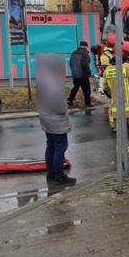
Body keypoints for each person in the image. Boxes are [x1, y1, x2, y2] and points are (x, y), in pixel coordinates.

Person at [36, 54, 76, 184]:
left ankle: (51, 173)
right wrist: (65, 108)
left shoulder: (43, 80)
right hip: (56, 120)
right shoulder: (54, 83)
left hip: (45, 117)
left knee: (51, 146)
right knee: (61, 147)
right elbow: (60, 106)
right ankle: (60, 175)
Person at [67, 41, 93, 107]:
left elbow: (70, 63)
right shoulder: (85, 53)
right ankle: (88, 103)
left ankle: (70, 100)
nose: (87, 48)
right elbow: (84, 64)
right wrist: (88, 72)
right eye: (87, 47)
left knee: (75, 87)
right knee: (87, 90)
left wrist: (74, 72)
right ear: (85, 46)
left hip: (75, 75)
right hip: (83, 75)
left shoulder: (74, 52)